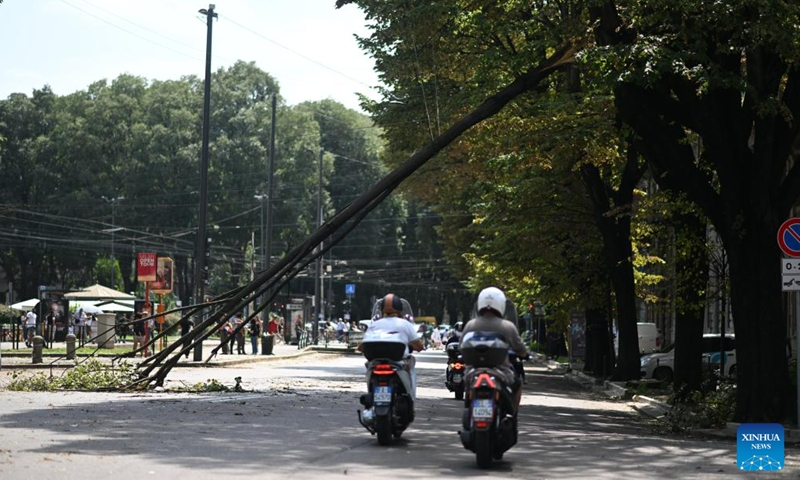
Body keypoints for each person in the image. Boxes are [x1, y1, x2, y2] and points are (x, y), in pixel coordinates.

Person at [461, 286, 528, 414]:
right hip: (501, 372)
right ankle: (512, 414)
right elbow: (520, 348)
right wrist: (524, 354)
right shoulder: (507, 326)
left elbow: (461, 347)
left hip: (473, 371)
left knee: (469, 388)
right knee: (518, 384)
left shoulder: (471, 325)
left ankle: (469, 408)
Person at [358, 293, 424, 400]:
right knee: (411, 364)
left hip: (376, 362)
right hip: (398, 362)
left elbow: (361, 347)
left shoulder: (375, 324)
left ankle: (371, 391)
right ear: (400, 310)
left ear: (382, 309)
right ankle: (410, 396)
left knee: (368, 366)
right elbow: (419, 346)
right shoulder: (405, 324)